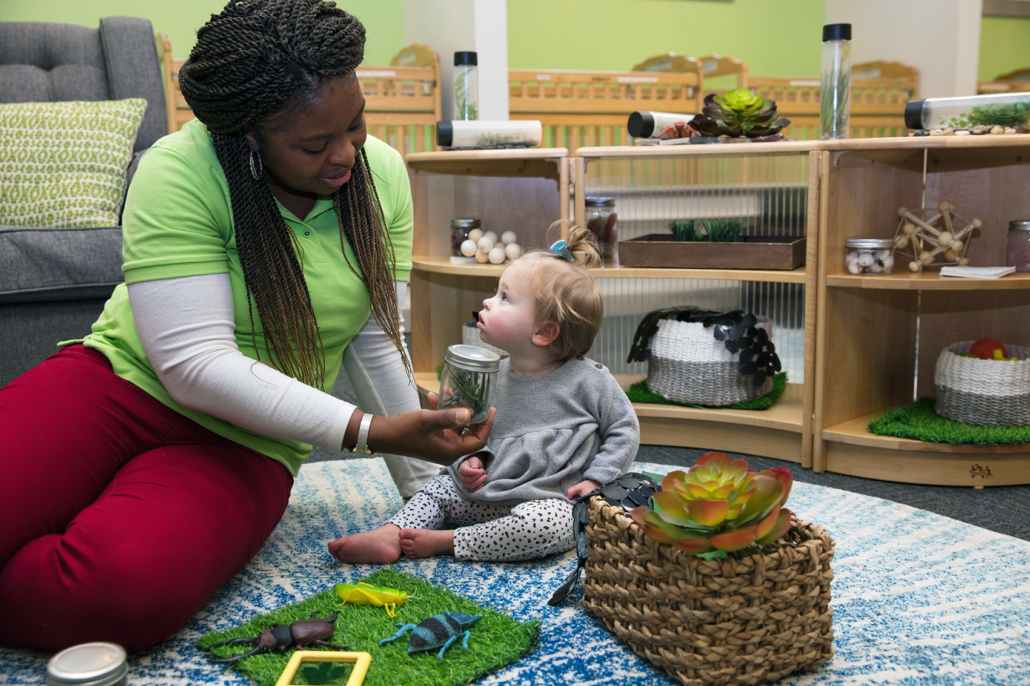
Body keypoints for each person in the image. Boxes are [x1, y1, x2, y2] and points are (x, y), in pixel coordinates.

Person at [0, 0, 494, 654]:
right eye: (314, 144)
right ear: (249, 136)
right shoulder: (179, 170)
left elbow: (376, 339)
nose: (345, 155)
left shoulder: (382, 180)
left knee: (112, 598)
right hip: (120, 385)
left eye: (356, 126)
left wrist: (426, 488)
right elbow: (194, 366)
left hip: (249, 441)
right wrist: (367, 432)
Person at [329, 226, 640, 564]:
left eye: (504, 297)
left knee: (555, 525)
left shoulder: (590, 381)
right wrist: (469, 463)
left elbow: (624, 429)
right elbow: (470, 436)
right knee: (439, 487)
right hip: (482, 497)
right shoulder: (492, 375)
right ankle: (392, 533)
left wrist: (597, 478)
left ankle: (448, 541)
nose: (488, 302)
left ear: (543, 332)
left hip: (547, 499)